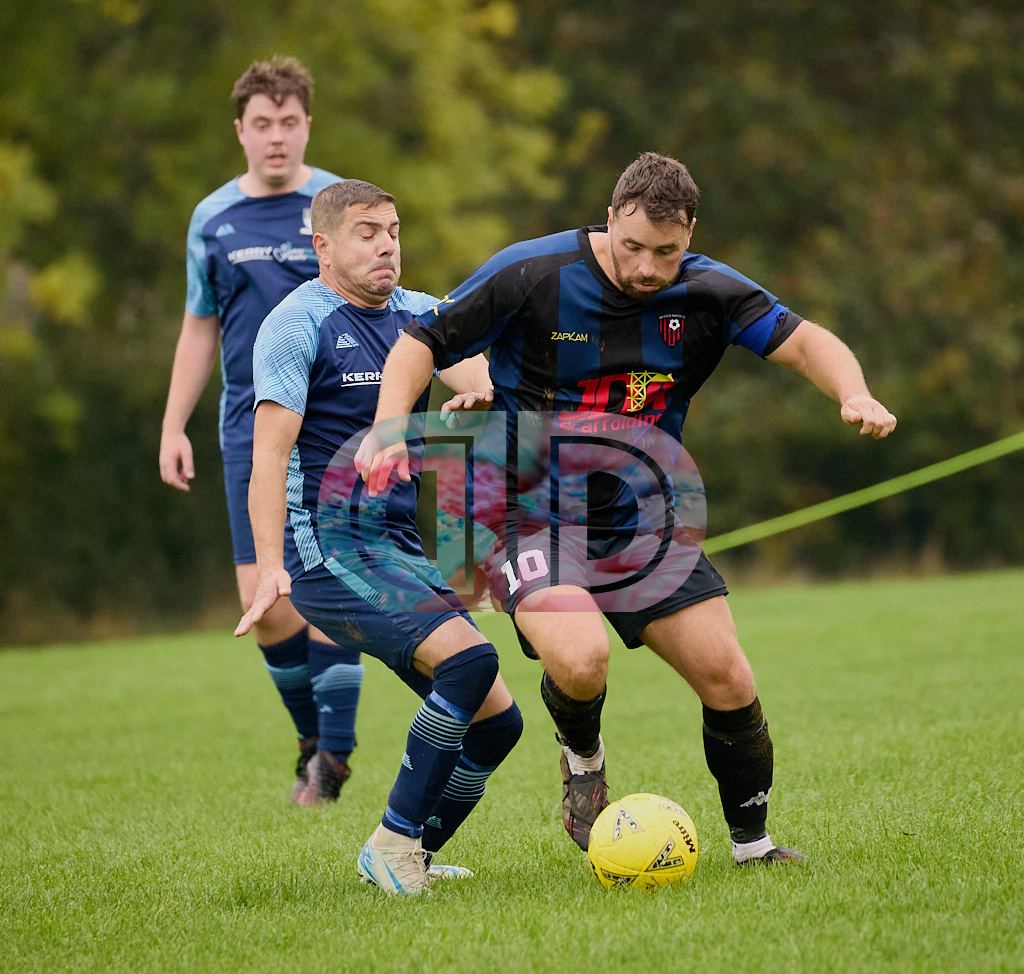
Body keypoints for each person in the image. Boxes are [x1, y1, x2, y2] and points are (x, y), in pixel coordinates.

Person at [357, 151, 897, 866]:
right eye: (633, 246)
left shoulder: (708, 291)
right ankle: (583, 758)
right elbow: (420, 341)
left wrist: (853, 392)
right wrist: (390, 426)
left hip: (642, 519)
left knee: (728, 677)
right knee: (582, 659)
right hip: (522, 512)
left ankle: (754, 847)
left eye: (665, 252)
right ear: (610, 218)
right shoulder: (534, 273)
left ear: (690, 233)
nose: (647, 268)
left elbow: (805, 343)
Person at [235, 179, 522, 894]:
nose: (386, 245)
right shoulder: (295, 325)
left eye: (392, 231)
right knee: (468, 664)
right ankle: (392, 845)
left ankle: (410, 851)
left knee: (498, 724)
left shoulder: (419, 315)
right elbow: (266, 457)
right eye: (367, 233)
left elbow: (478, 373)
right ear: (323, 247)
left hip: (396, 547)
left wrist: (482, 390)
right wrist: (269, 566)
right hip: (328, 551)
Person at [159, 57, 363, 805]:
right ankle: (313, 738)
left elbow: (380, 297)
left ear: (307, 125)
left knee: (332, 585)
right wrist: (173, 424)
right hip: (251, 426)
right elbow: (199, 325)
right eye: (262, 124)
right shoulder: (212, 219)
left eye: (289, 122)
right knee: (267, 602)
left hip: (335, 424)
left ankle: (333, 759)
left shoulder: (337, 205)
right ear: (240, 131)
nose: (276, 136)